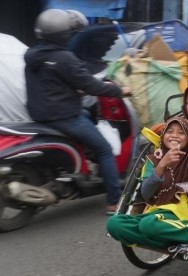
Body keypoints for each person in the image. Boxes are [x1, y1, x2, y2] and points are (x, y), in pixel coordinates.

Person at [24, 9, 132, 213]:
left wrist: (74, 90)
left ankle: (84, 164)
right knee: (104, 150)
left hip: (40, 115)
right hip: (63, 116)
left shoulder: (32, 56)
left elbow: (50, 83)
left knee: (85, 115)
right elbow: (94, 86)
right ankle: (113, 201)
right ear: (64, 34)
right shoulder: (64, 58)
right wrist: (121, 90)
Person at [106, 117, 188, 249]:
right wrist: (161, 166)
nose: (174, 136)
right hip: (154, 213)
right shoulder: (153, 160)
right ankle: (173, 241)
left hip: (178, 214)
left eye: (181, 133)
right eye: (170, 131)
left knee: (148, 225)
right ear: (163, 135)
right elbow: (146, 193)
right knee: (113, 224)